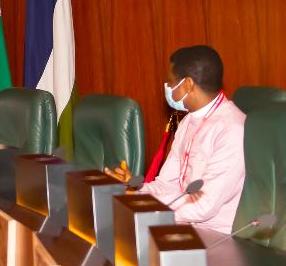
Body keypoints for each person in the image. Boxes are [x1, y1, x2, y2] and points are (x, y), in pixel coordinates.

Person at [104, 45, 246, 233]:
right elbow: (167, 185)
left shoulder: (232, 130)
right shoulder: (188, 121)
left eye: (170, 83)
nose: (168, 89)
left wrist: (144, 207)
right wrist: (134, 191)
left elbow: (203, 205)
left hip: (216, 236)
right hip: (182, 224)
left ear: (187, 85)